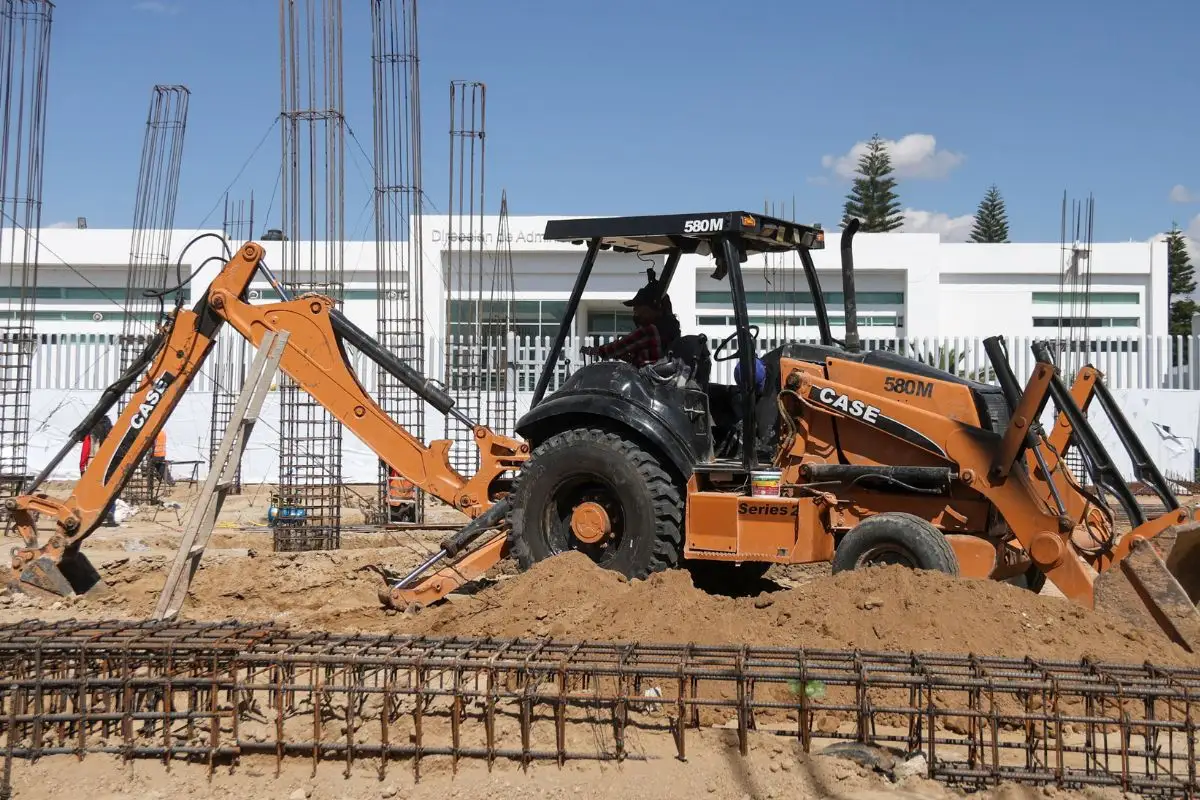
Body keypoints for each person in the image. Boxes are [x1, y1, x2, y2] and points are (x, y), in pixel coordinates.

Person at [582, 268, 681, 368]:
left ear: (655, 307)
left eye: (638, 306)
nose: (635, 311)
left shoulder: (649, 330)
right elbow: (652, 357)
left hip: (648, 380)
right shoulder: (671, 329)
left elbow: (616, 348)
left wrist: (593, 350)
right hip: (661, 378)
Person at [80, 415, 118, 526]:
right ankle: (110, 512)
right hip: (108, 464)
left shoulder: (91, 435)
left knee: (91, 492)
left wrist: (82, 467)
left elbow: (85, 452)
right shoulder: (112, 434)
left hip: (93, 464)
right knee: (108, 491)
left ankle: (91, 516)